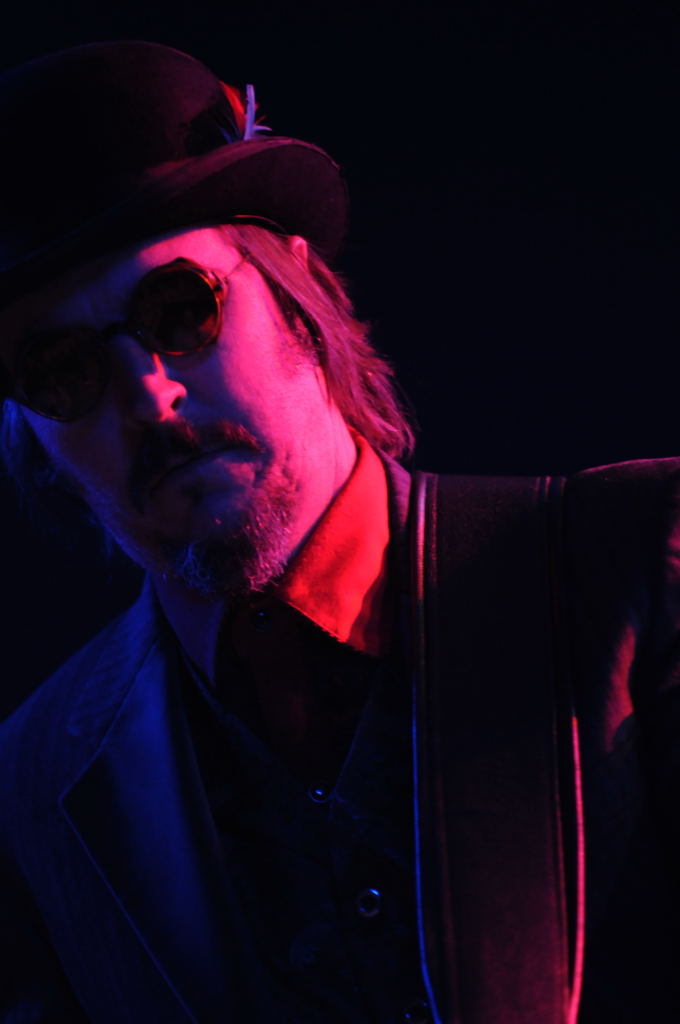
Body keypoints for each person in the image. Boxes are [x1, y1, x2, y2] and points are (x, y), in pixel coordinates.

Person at [1, 40, 680, 1024]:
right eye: (62, 370)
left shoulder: (637, 568)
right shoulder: (29, 791)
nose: (148, 397)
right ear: (34, 440)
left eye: (180, 308)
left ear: (297, 294)